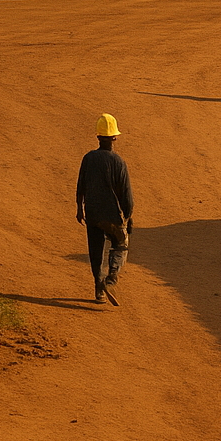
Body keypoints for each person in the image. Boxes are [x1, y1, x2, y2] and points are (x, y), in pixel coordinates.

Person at [76, 113, 134, 305]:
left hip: (92, 214)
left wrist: (79, 209)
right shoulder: (118, 162)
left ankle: (99, 289)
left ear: (98, 136)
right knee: (120, 244)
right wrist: (127, 216)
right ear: (115, 137)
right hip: (112, 215)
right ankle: (111, 278)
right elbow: (126, 195)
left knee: (96, 250)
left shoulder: (88, 158)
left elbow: (80, 185)